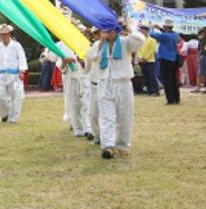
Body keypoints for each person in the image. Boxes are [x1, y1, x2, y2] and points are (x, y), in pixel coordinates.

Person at [88, 21, 145, 159]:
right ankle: (108, 146)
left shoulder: (126, 42)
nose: (109, 33)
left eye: (111, 30)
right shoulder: (98, 45)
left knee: (124, 116)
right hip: (105, 83)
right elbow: (92, 58)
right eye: (106, 30)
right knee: (106, 115)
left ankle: (122, 145)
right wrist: (101, 44)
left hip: (123, 83)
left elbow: (140, 40)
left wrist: (129, 27)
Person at [47, 37, 90, 137]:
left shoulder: (84, 42)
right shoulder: (61, 45)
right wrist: (65, 61)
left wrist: (76, 59)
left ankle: (88, 128)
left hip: (85, 77)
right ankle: (77, 128)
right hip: (70, 78)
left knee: (86, 103)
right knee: (74, 103)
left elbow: (89, 59)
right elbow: (61, 66)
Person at [0, 24, 28, 123]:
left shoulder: (16, 46)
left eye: (5, 34)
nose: (3, 36)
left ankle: (14, 118)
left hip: (14, 75)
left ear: (9, 34)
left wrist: (22, 71)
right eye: (1, 35)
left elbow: (21, 58)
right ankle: (6, 113)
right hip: (1, 75)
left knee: (15, 97)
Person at [151, 20, 181, 105]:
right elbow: (166, 33)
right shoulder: (175, 35)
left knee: (167, 81)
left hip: (165, 59)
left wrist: (152, 28)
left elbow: (152, 35)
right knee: (173, 80)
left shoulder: (165, 36)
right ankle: (176, 98)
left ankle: (170, 99)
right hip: (174, 59)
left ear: (165, 27)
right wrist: (160, 28)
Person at [136, 25, 159, 96]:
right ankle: (149, 90)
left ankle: (155, 90)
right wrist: (140, 57)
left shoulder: (152, 40)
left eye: (142, 30)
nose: (141, 32)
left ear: (146, 31)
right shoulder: (139, 40)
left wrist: (146, 57)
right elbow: (137, 49)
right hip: (142, 60)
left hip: (150, 60)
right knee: (145, 76)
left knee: (151, 76)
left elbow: (152, 50)